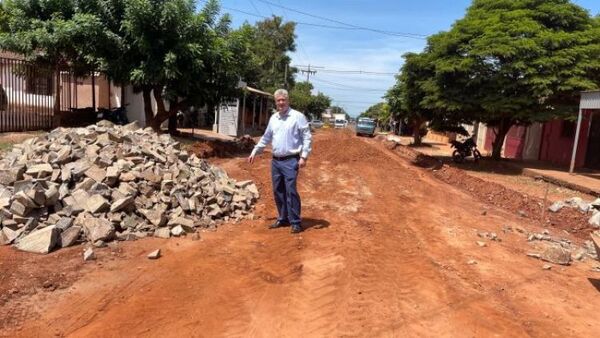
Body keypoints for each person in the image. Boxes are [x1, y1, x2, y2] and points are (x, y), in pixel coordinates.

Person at [247, 89, 312, 234]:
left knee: (291, 191)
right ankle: (283, 218)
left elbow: (307, 137)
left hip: (291, 160)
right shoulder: (273, 118)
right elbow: (266, 137)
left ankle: (295, 222)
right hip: (276, 161)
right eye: (278, 100)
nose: (281, 103)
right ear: (275, 102)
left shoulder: (297, 117)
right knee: (278, 191)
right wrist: (254, 151)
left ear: (288, 101)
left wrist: (304, 156)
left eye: (283, 100)